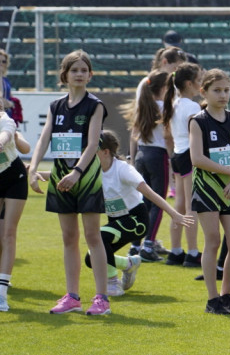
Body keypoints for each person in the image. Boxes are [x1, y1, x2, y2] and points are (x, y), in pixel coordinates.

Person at [26, 50, 110, 315]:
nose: (80, 75)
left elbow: (93, 143)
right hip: (62, 175)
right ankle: (72, 297)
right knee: (68, 237)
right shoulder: (56, 106)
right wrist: (34, 168)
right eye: (75, 70)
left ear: (90, 75)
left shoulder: (94, 105)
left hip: (85, 176)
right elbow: (44, 139)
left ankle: (102, 299)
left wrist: (76, 172)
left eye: (84, 70)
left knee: (92, 236)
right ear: (65, 75)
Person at [84, 130, 194, 297]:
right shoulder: (94, 169)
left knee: (99, 237)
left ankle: (112, 283)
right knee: (91, 258)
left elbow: (150, 194)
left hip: (136, 221)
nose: (87, 154)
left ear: (105, 152)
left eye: (92, 149)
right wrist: (39, 174)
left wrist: (174, 214)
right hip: (115, 222)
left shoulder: (123, 170)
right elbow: (70, 178)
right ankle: (129, 264)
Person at [188, 68, 230, 315]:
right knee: (213, 240)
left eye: (227, 90)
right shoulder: (198, 121)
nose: (223, 95)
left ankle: (226, 295)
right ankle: (212, 298)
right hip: (207, 189)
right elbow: (197, 158)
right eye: (217, 90)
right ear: (204, 91)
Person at [0, 76, 28, 312]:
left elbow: (7, 132)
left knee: (8, 234)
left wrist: (0, 142)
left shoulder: (5, 120)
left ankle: (1, 294)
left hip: (14, 179)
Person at [121, 70, 171, 263]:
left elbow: (133, 135)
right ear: (164, 88)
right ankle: (148, 245)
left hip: (141, 154)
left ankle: (135, 245)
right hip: (158, 155)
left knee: (142, 202)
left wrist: (132, 160)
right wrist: (173, 157)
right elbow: (167, 136)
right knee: (158, 202)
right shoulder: (165, 107)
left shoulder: (142, 105)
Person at [162, 62, 202, 268]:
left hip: (178, 154)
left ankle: (176, 250)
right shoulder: (192, 106)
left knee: (180, 205)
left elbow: (169, 134)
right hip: (188, 154)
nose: (202, 84)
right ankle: (193, 252)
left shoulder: (174, 103)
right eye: (199, 80)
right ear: (189, 83)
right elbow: (195, 134)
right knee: (191, 207)